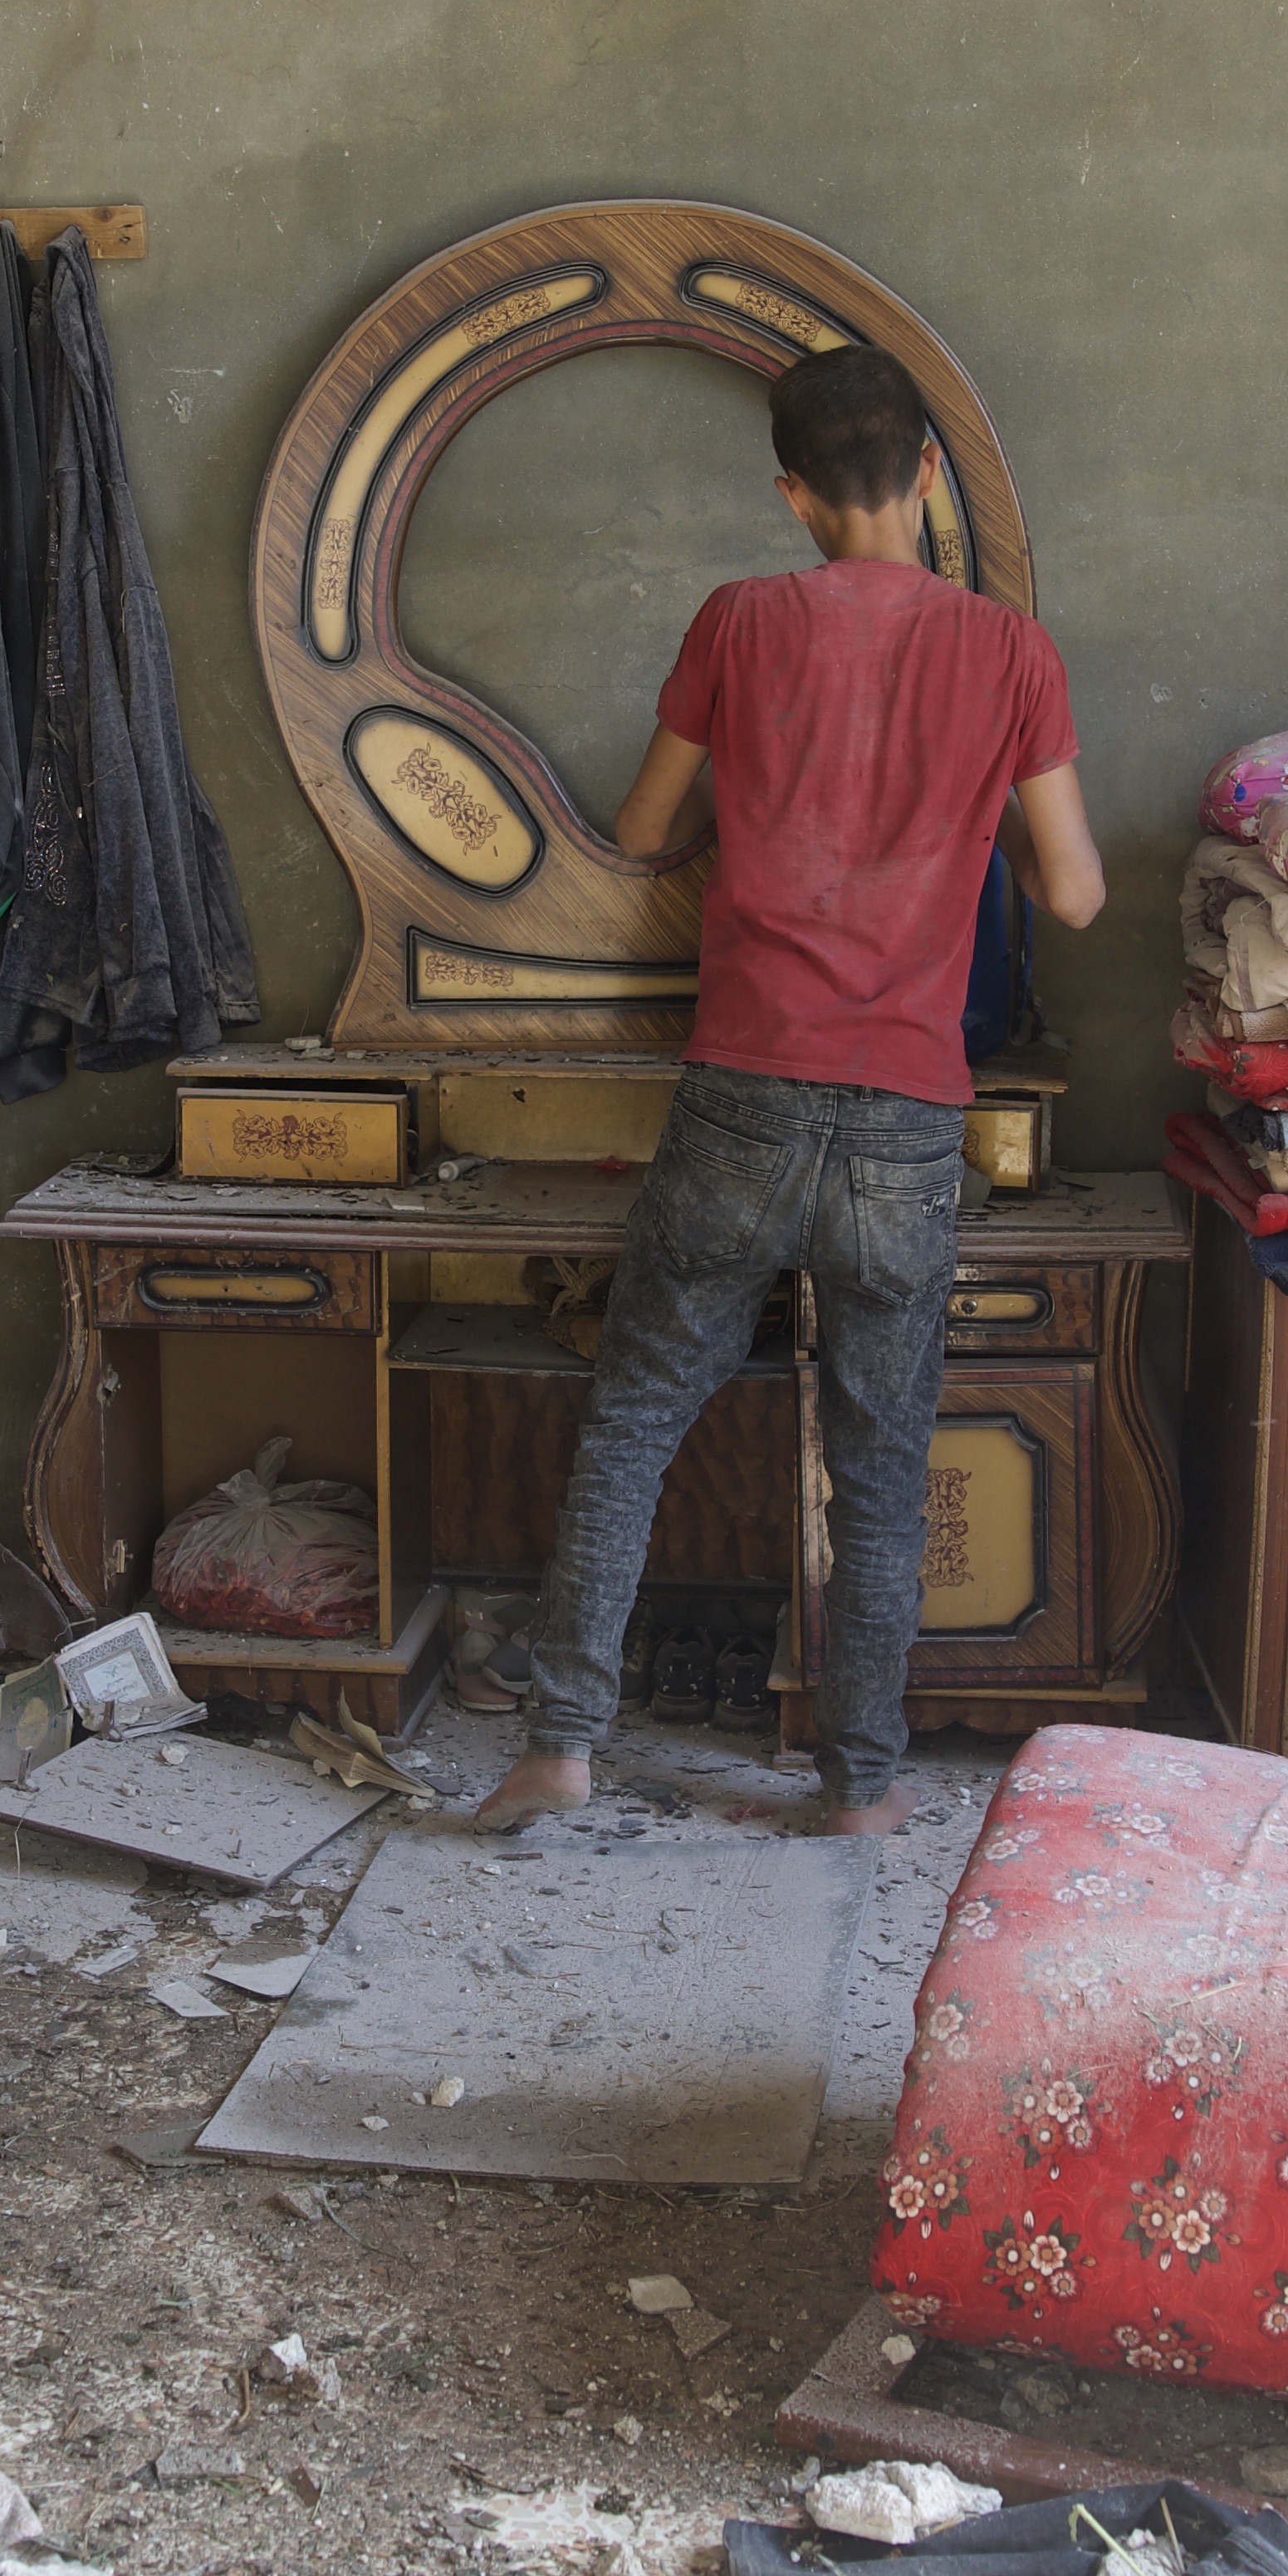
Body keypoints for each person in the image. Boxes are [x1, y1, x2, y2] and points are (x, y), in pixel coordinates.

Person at [472, 344, 1103, 1838]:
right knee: (881, 1468)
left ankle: (561, 1746)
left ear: (795, 496)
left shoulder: (739, 622)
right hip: (907, 1113)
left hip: (743, 1088)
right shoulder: (1012, 654)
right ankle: (860, 1785)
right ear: (927, 475)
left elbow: (641, 828)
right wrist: (978, 827)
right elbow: (1074, 894)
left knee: (636, 1419)